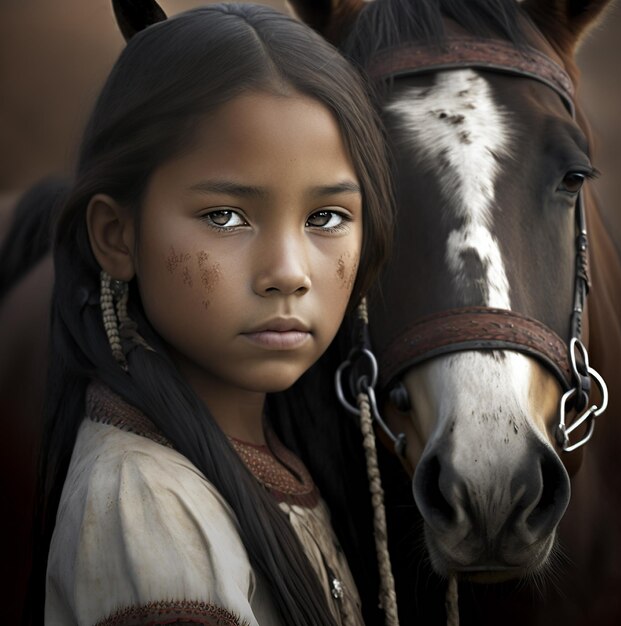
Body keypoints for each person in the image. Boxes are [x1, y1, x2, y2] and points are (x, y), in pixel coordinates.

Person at [28, 3, 394, 625]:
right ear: (117, 236)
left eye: (326, 218)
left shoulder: (274, 457)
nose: (288, 271)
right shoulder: (143, 504)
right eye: (225, 216)